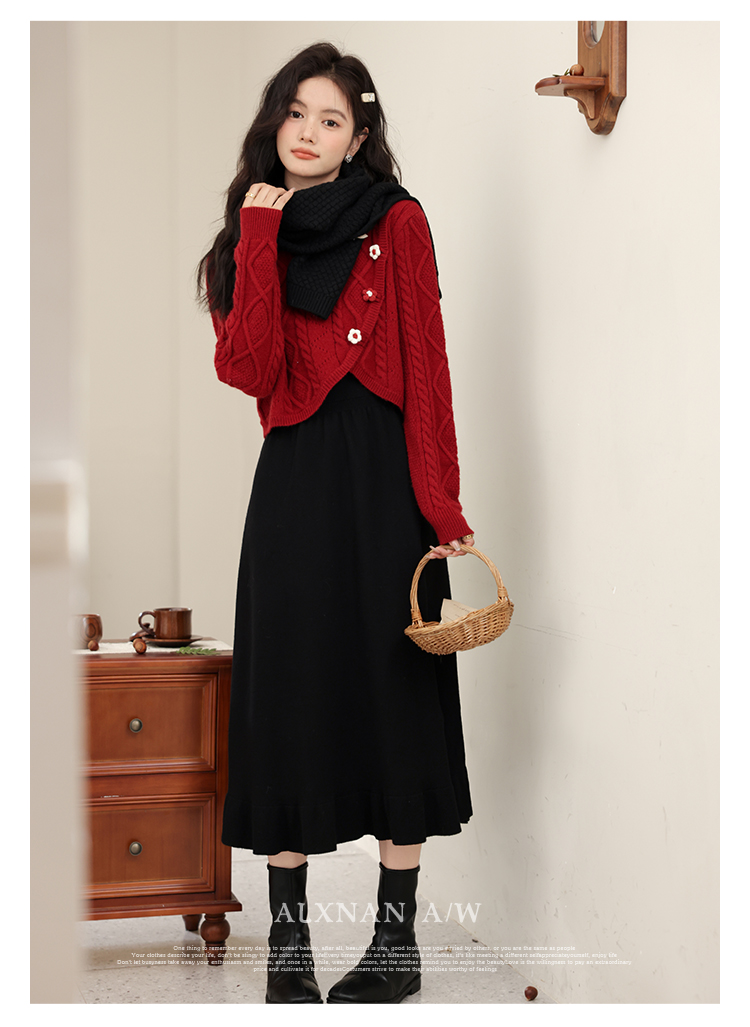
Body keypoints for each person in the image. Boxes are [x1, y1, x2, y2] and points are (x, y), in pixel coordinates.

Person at [197, 41, 476, 1005]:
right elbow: (251, 370)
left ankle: (396, 946)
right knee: (286, 699)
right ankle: (290, 948)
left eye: (331, 120)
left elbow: (428, 368)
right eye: (296, 113)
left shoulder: (398, 222)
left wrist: (442, 502)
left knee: (396, 699)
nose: (309, 132)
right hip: (293, 487)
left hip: (389, 488)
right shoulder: (247, 238)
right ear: (273, 120)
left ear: (358, 139)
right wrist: (260, 235)